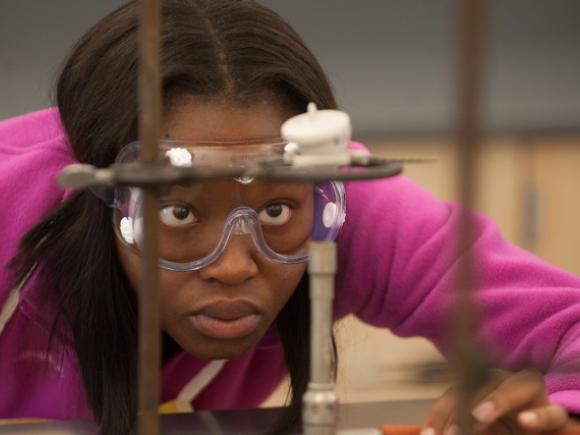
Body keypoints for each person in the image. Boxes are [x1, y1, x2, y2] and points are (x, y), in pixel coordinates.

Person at [0, 1, 579, 434]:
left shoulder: (339, 201)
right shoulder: (13, 202)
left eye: (274, 210)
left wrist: (558, 412)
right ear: (103, 197)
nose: (232, 267)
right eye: (178, 211)